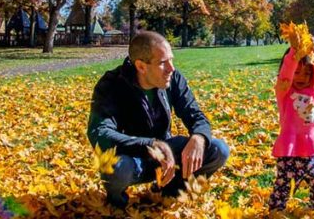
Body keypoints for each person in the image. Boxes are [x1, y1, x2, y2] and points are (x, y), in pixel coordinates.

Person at [87, 31, 230, 208]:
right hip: (132, 157)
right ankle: (117, 204)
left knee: (219, 150)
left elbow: (195, 115)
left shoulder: (173, 78)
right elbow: (99, 133)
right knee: (117, 167)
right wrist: (149, 144)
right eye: (163, 63)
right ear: (141, 66)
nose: (171, 68)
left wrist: (199, 137)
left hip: (168, 153)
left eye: (171, 60)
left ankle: (172, 190)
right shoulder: (111, 85)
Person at [268, 39, 314, 211]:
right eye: (297, 72)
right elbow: (286, 74)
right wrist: (294, 53)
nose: (302, 77)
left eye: (307, 73)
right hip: (289, 151)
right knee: (283, 186)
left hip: (313, 149)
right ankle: (275, 212)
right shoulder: (285, 90)